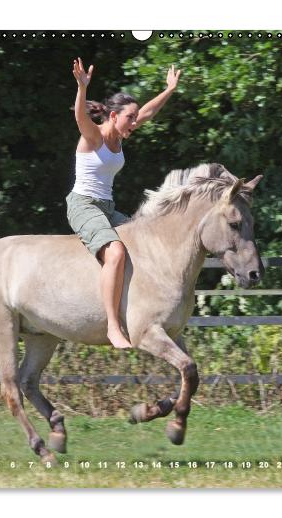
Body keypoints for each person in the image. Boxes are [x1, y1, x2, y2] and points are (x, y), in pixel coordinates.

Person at [67, 57, 181, 349]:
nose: (135, 121)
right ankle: (112, 327)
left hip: (107, 208)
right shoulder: (94, 137)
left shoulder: (120, 133)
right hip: (84, 206)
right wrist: (82, 87)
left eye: (134, 118)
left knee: (149, 240)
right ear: (113, 116)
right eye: (130, 117)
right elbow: (80, 117)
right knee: (116, 253)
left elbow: (148, 112)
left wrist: (169, 89)